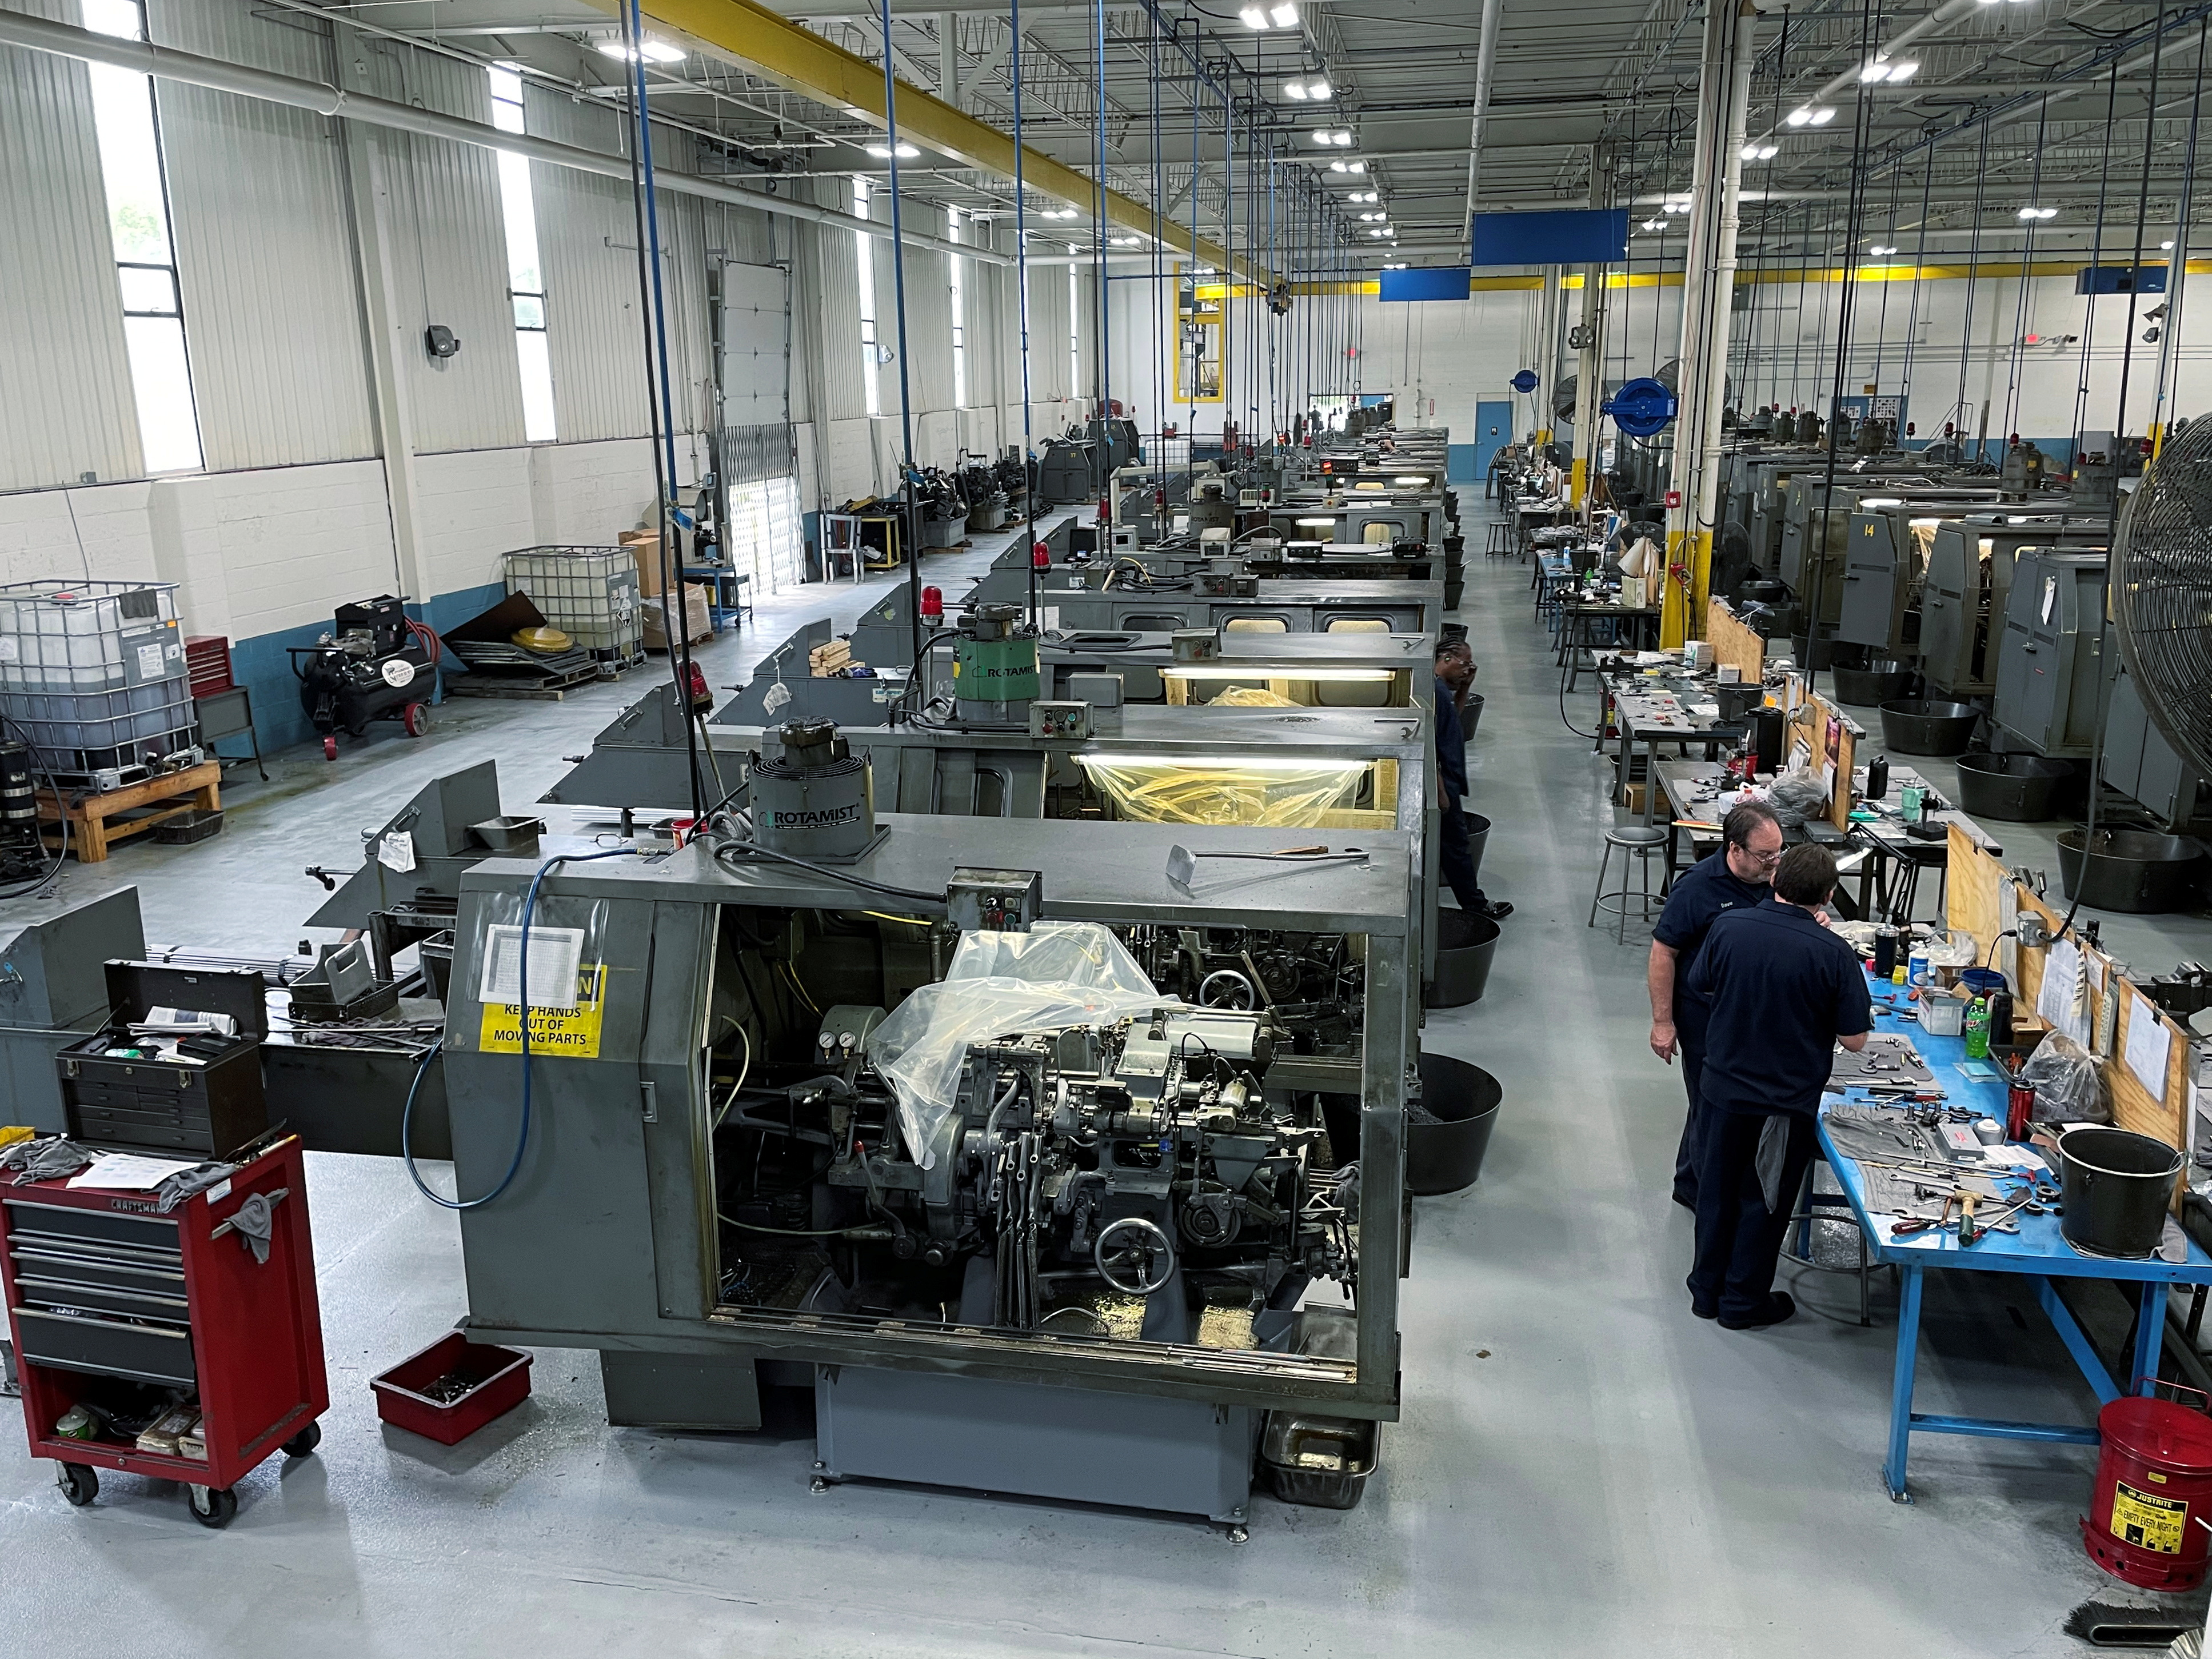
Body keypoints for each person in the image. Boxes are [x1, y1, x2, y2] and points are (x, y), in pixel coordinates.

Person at [1685, 843, 1871, 1329]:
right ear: (1829, 896)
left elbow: (1702, 982)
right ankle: (1742, 1303)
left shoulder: (1728, 927)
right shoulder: (1833, 952)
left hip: (1721, 1090)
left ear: (1774, 880)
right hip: (1779, 1103)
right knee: (1762, 1200)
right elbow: (1854, 1040)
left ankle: (1706, 1290)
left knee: (1717, 1191)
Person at [1647, 801, 1783, 1209]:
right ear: (1734, 850)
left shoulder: (1777, 878)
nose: (1774, 862)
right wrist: (1662, 1022)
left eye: (1779, 851)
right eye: (1765, 855)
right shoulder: (1697, 887)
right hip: (1704, 1014)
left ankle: (1691, 1182)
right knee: (1712, 1105)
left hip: (1756, 1014)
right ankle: (1710, 1200)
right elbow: (1663, 952)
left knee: (1715, 1107)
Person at [1434, 641, 1511, 921]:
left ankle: (1473, 901)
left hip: (1449, 781)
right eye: (1464, 663)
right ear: (1446, 658)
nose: (1468, 669)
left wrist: (1465, 688)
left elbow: (1450, 721)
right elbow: (1428, 744)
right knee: (1456, 847)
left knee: (1455, 846)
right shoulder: (1434, 691)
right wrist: (1440, 791)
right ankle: (1474, 904)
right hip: (1442, 785)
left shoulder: (1442, 692)